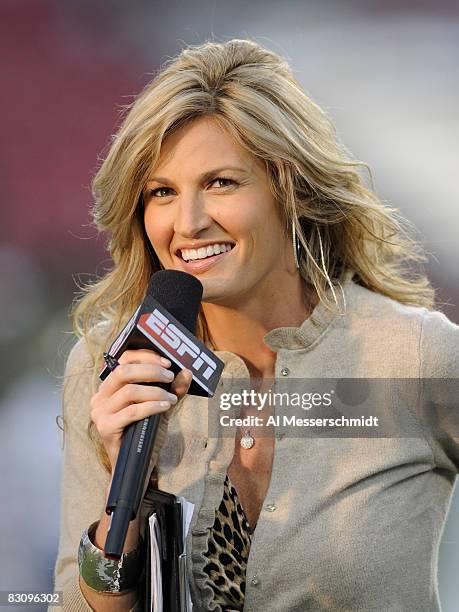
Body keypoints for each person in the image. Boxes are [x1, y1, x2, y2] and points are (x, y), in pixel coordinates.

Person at [51, 38, 459, 612]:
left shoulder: (414, 354)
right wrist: (126, 503)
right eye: (161, 193)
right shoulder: (104, 367)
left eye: (221, 182)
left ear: (289, 189)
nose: (188, 223)